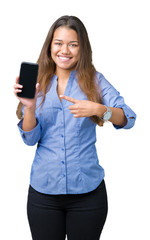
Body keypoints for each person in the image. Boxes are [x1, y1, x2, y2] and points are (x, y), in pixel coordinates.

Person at [13, 15, 136, 240]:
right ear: (50, 46)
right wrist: (29, 107)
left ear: (82, 48)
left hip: (88, 195)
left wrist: (99, 109)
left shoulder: (95, 81)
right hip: (44, 193)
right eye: (58, 43)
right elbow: (30, 140)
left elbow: (128, 118)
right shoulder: (38, 82)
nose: (65, 50)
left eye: (73, 44)